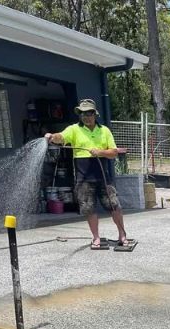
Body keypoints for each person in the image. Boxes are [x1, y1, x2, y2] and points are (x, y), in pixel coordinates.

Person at [44, 99, 128, 250]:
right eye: (83, 114)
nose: (86, 116)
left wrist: (100, 152)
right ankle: (95, 237)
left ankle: (122, 235)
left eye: (89, 113)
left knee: (115, 206)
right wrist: (52, 136)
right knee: (89, 209)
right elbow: (61, 137)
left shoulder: (104, 130)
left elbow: (114, 153)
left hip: (103, 177)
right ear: (80, 115)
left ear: (95, 114)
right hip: (83, 179)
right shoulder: (74, 129)